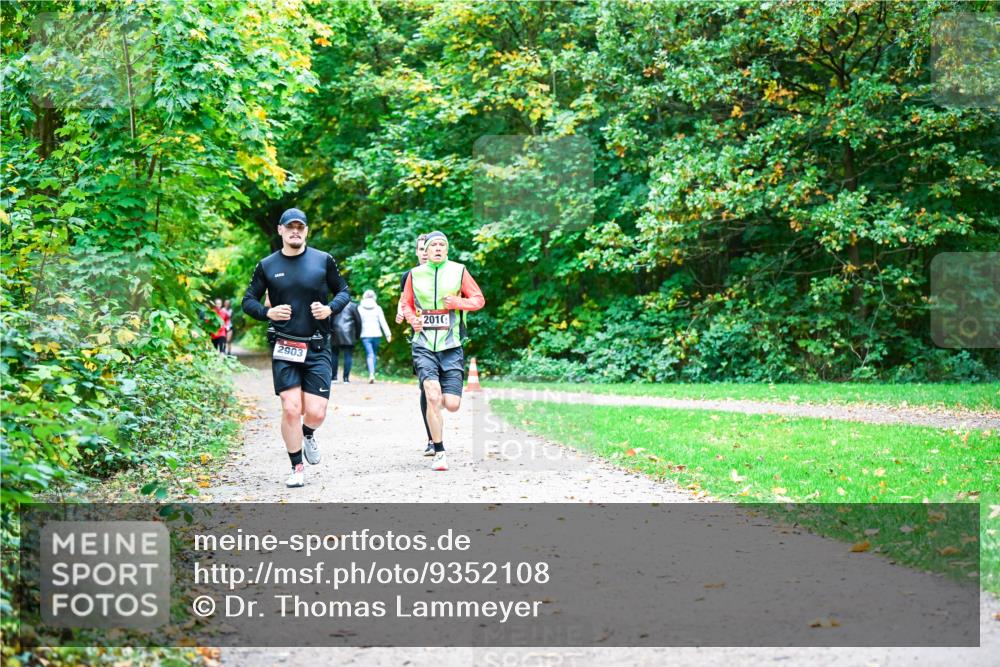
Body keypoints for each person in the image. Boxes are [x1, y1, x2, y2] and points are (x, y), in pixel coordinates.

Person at [242, 207, 350, 488]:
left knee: (316, 412)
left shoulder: (323, 260)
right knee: (291, 408)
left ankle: (308, 433)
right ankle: (296, 467)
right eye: (290, 227)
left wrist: (329, 309)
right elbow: (248, 301)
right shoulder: (267, 265)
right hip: (285, 345)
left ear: (306, 231)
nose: (295, 232)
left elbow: (344, 291)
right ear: (280, 230)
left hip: (317, 346)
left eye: (300, 227)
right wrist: (268, 312)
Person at [399, 231, 485, 471]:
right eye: (433, 245)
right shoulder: (414, 274)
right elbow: (406, 303)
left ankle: (438, 409)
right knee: (432, 394)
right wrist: (412, 320)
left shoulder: (459, 271)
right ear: (426, 251)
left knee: (452, 403)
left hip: (451, 345)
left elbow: (478, 299)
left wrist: (458, 303)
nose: (437, 248)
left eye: (441, 245)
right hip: (423, 344)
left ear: (447, 249)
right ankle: (439, 451)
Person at [396, 234, 434, 455]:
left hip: (447, 340)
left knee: (444, 393)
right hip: (421, 339)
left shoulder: (447, 274)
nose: (424, 253)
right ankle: (432, 439)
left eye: (427, 249)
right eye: (421, 249)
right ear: (417, 252)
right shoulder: (409, 276)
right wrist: (401, 312)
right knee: (426, 388)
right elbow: (404, 300)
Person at [358, 289, 392, 383]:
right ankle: (372, 373)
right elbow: (383, 322)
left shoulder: (360, 308)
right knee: (374, 353)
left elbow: (358, 323)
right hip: (376, 334)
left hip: (365, 335)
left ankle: (371, 374)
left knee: (370, 354)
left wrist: (356, 334)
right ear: (374, 297)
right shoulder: (378, 308)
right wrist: (388, 334)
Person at [331, 299, 362, 383]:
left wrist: (330, 331)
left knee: (334, 354)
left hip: (335, 332)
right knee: (348, 355)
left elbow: (330, 319)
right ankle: (346, 379)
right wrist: (357, 335)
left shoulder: (334, 304)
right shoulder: (353, 306)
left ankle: (334, 377)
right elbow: (358, 321)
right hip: (349, 333)